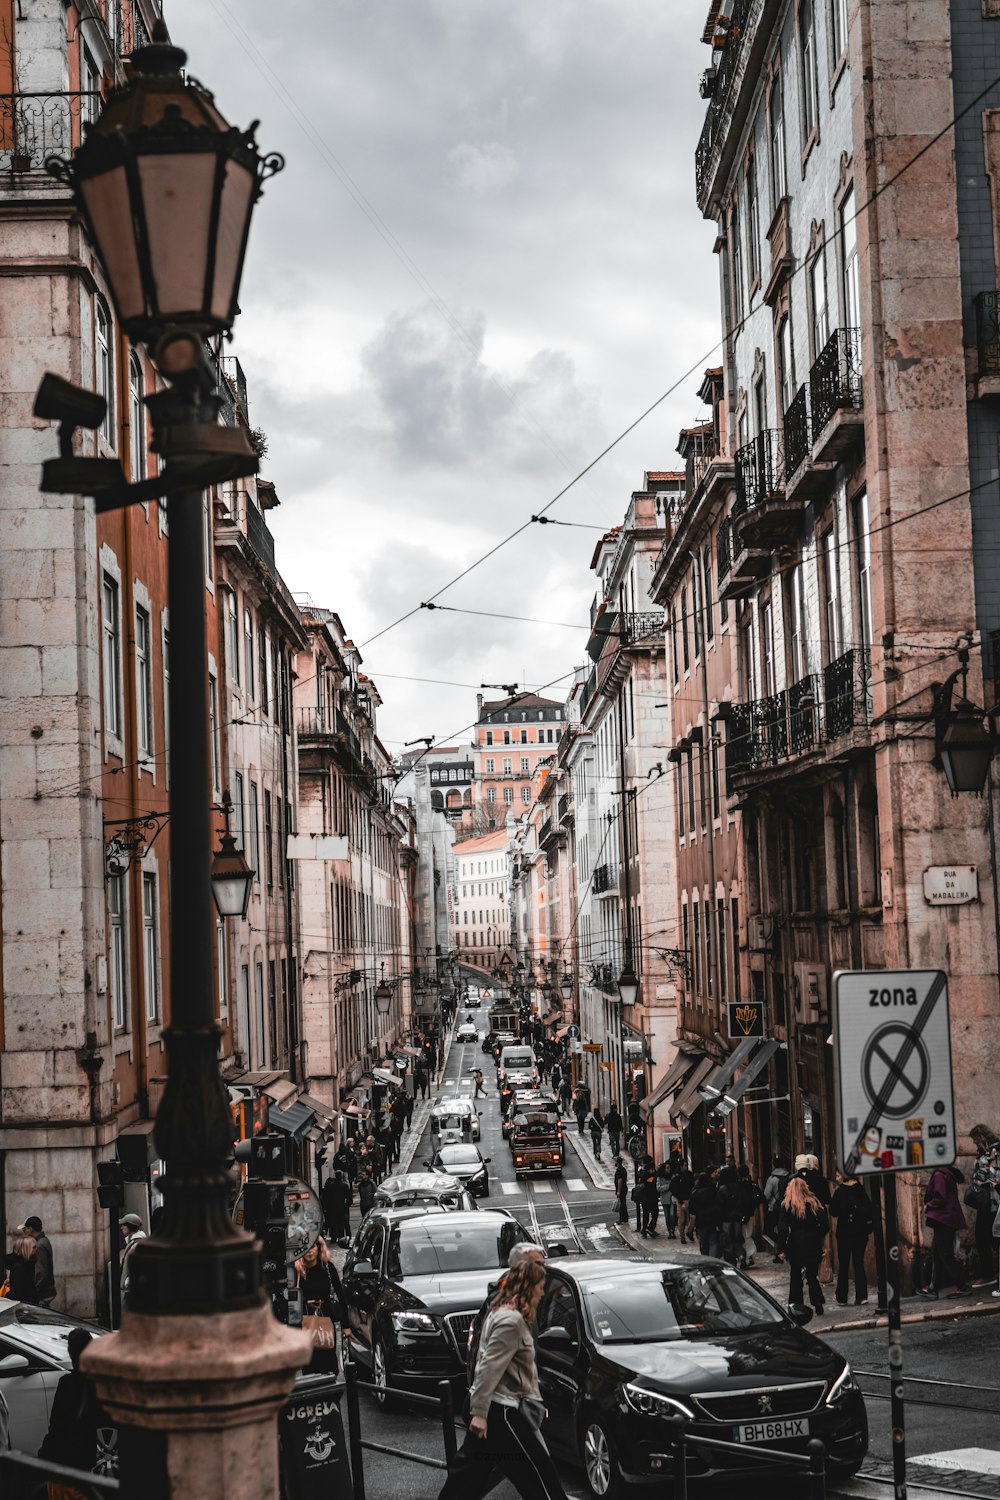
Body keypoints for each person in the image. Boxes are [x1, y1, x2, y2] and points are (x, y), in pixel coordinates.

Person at [437, 1255, 568, 1500]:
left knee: (465, 1481)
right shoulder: (511, 1320)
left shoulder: (502, 1311)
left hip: (492, 1410)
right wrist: (480, 1413)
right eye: (539, 1288)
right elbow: (489, 1366)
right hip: (500, 1412)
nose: (542, 1293)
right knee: (541, 1478)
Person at [38, 1328, 110, 1477]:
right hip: (88, 1453)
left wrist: (45, 1452)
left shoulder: (67, 1383)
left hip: (68, 1455)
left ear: (71, 1352)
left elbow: (57, 1423)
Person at [295, 1235, 348, 1374]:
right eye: (305, 1248)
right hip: (306, 1323)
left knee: (328, 1363)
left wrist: (345, 1325)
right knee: (310, 1366)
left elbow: (341, 1295)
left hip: (326, 1321)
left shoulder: (328, 1268)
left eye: (312, 1247)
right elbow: (291, 1300)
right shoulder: (297, 1272)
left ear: (319, 1249)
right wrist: (306, 1302)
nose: (309, 1251)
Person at [776, 1175, 829, 1316]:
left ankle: (796, 1306)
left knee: (795, 1276)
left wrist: (781, 1248)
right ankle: (818, 1303)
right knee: (812, 1275)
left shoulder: (787, 1205)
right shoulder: (813, 1202)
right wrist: (819, 1236)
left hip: (796, 1243)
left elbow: (782, 1229)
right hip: (813, 1242)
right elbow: (825, 1223)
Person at [917, 1163, 969, 1299]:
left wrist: (929, 1205)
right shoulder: (945, 1173)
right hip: (945, 1220)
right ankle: (933, 1289)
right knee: (937, 1254)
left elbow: (940, 1197)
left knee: (945, 1255)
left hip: (944, 1220)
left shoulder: (940, 1174)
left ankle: (962, 1286)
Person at [830, 1170, 874, 1306]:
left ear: (844, 1175)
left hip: (845, 1234)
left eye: (838, 1174)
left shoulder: (839, 1192)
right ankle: (862, 1296)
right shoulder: (861, 1189)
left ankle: (842, 1298)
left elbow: (833, 1212)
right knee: (858, 1263)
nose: (836, 1177)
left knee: (843, 1265)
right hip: (860, 1233)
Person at [968, 1124, 1000, 1284]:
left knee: (984, 1236)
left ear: (981, 1139)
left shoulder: (987, 1156)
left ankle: (988, 1275)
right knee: (992, 1236)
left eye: (975, 1141)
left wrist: (977, 1170)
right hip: (995, 1202)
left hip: (991, 1203)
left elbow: (980, 1181)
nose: (974, 1144)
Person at [688, 1172, 722, 1258]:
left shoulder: (695, 1193)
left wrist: (690, 1228)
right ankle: (713, 1260)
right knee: (713, 1242)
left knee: (703, 1243)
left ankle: (706, 1261)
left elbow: (692, 1213)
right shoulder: (714, 1190)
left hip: (701, 1223)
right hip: (713, 1221)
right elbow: (719, 1206)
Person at [23, 1216, 55, 1307]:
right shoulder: (44, 1241)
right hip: (46, 1290)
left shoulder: (40, 1245)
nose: (24, 1232)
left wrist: (34, 1290)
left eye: (25, 1229)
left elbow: (41, 1272)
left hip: (43, 1292)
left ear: (31, 1229)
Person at [763, 1156, 792, 1255]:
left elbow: (766, 1195)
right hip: (787, 1206)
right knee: (783, 1231)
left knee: (768, 1230)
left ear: (774, 1165)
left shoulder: (772, 1178)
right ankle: (783, 1249)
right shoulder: (789, 1177)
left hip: (774, 1208)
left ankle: (783, 1248)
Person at [715, 1166, 743, 1266]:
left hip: (726, 1219)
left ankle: (731, 1261)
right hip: (737, 1217)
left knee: (727, 1240)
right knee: (737, 1238)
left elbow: (719, 1207)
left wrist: (718, 1222)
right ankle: (739, 1255)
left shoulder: (722, 1189)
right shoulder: (739, 1186)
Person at [119, 1214, 146, 1311]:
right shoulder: (132, 1242)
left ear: (130, 1226)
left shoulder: (138, 1244)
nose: (122, 1227)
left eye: (124, 1225)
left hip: (133, 1291)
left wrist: (128, 1282)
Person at [6, 1229, 39, 1304]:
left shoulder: (28, 1265)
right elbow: (16, 1294)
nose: (36, 1250)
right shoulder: (19, 1268)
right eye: (33, 1247)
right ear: (26, 1249)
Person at [322, 1170, 353, 1241]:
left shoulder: (331, 1186)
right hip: (341, 1207)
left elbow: (327, 1198)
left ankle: (333, 1237)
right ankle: (340, 1236)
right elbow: (349, 1198)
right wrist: (347, 1205)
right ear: (341, 1177)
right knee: (341, 1223)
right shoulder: (344, 1186)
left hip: (332, 1208)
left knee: (333, 1223)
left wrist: (327, 1207)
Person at [671, 1160, 695, 1245]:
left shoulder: (689, 1175)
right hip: (680, 1200)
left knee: (692, 1218)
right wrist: (680, 1200)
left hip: (689, 1199)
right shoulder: (677, 1176)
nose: (686, 1167)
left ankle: (689, 1232)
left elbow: (693, 1186)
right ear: (681, 1166)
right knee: (682, 1220)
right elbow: (673, 1189)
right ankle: (682, 1237)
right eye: (685, 1165)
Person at [634, 1159, 659, 1238]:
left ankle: (645, 1230)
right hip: (650, 1199)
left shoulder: (643, 1175)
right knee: (653, 1214)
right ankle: (649, 1229)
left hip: (646, 1199)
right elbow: (651, 1185)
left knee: (646, 1215)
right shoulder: (649, 1176)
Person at [655, 1162, 677, 1238]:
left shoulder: (673, 1176)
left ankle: (672, 1231)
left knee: (672, 1215)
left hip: (672, 1199)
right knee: (667, 1217)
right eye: (667, 1168)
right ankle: (669, 1231)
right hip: (664, 1199)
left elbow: (675, 1186)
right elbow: (658, 1188)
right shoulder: (660, 1178)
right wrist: (668, 1186)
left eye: (669, 1168)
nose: (669, 1169)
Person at [613, 1156, 629, 1226]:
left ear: (617, 1162)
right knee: (623, 1203)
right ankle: (625, 1218)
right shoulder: (623, 1169)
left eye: (615, 1161)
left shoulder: (619, 1170)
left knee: (621, 1204)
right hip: (624, 1188)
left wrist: (618, 1191)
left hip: (622, 1189)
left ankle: (622, 1219)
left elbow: (620, 1181)